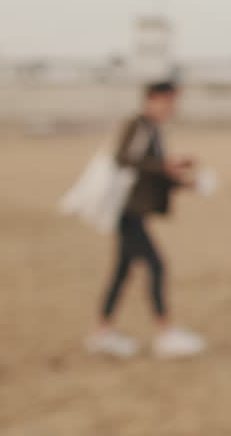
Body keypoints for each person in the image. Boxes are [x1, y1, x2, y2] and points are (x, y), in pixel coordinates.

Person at [85, 81, 206, 359]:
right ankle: (165, 332)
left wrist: (183, 181)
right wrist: (165, 166)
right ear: (153, 99)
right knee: (156, 266)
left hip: (135, 211)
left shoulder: (153, 129)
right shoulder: (138, 125)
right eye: (169, 101)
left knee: (122, 271)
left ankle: (102, 332)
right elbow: (123, 158)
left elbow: (149, 173)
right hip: (127, 211)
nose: (172, 107)